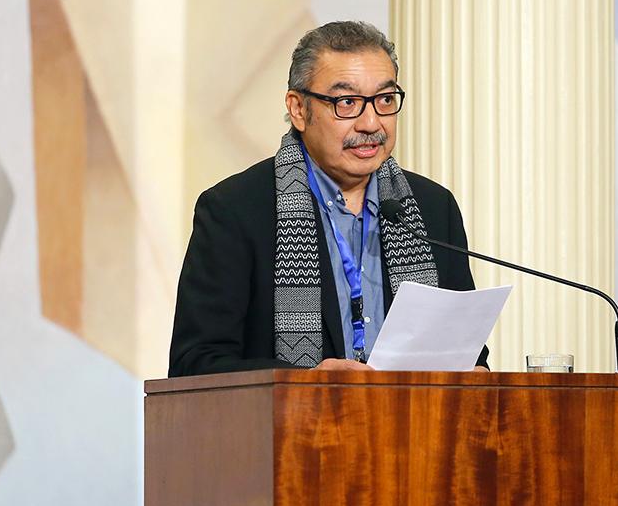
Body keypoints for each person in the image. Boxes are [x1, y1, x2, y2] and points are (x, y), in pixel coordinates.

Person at [169, 21, 488, 376]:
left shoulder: (432, 209)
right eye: (347, 102)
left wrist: (475, 373)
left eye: (384, 100)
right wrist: (307, 383)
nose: (371, 123)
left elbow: (466, 352)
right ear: (299, 109)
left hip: (412, 413)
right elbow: (195, 364)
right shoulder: (235, 211)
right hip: (294, 414)